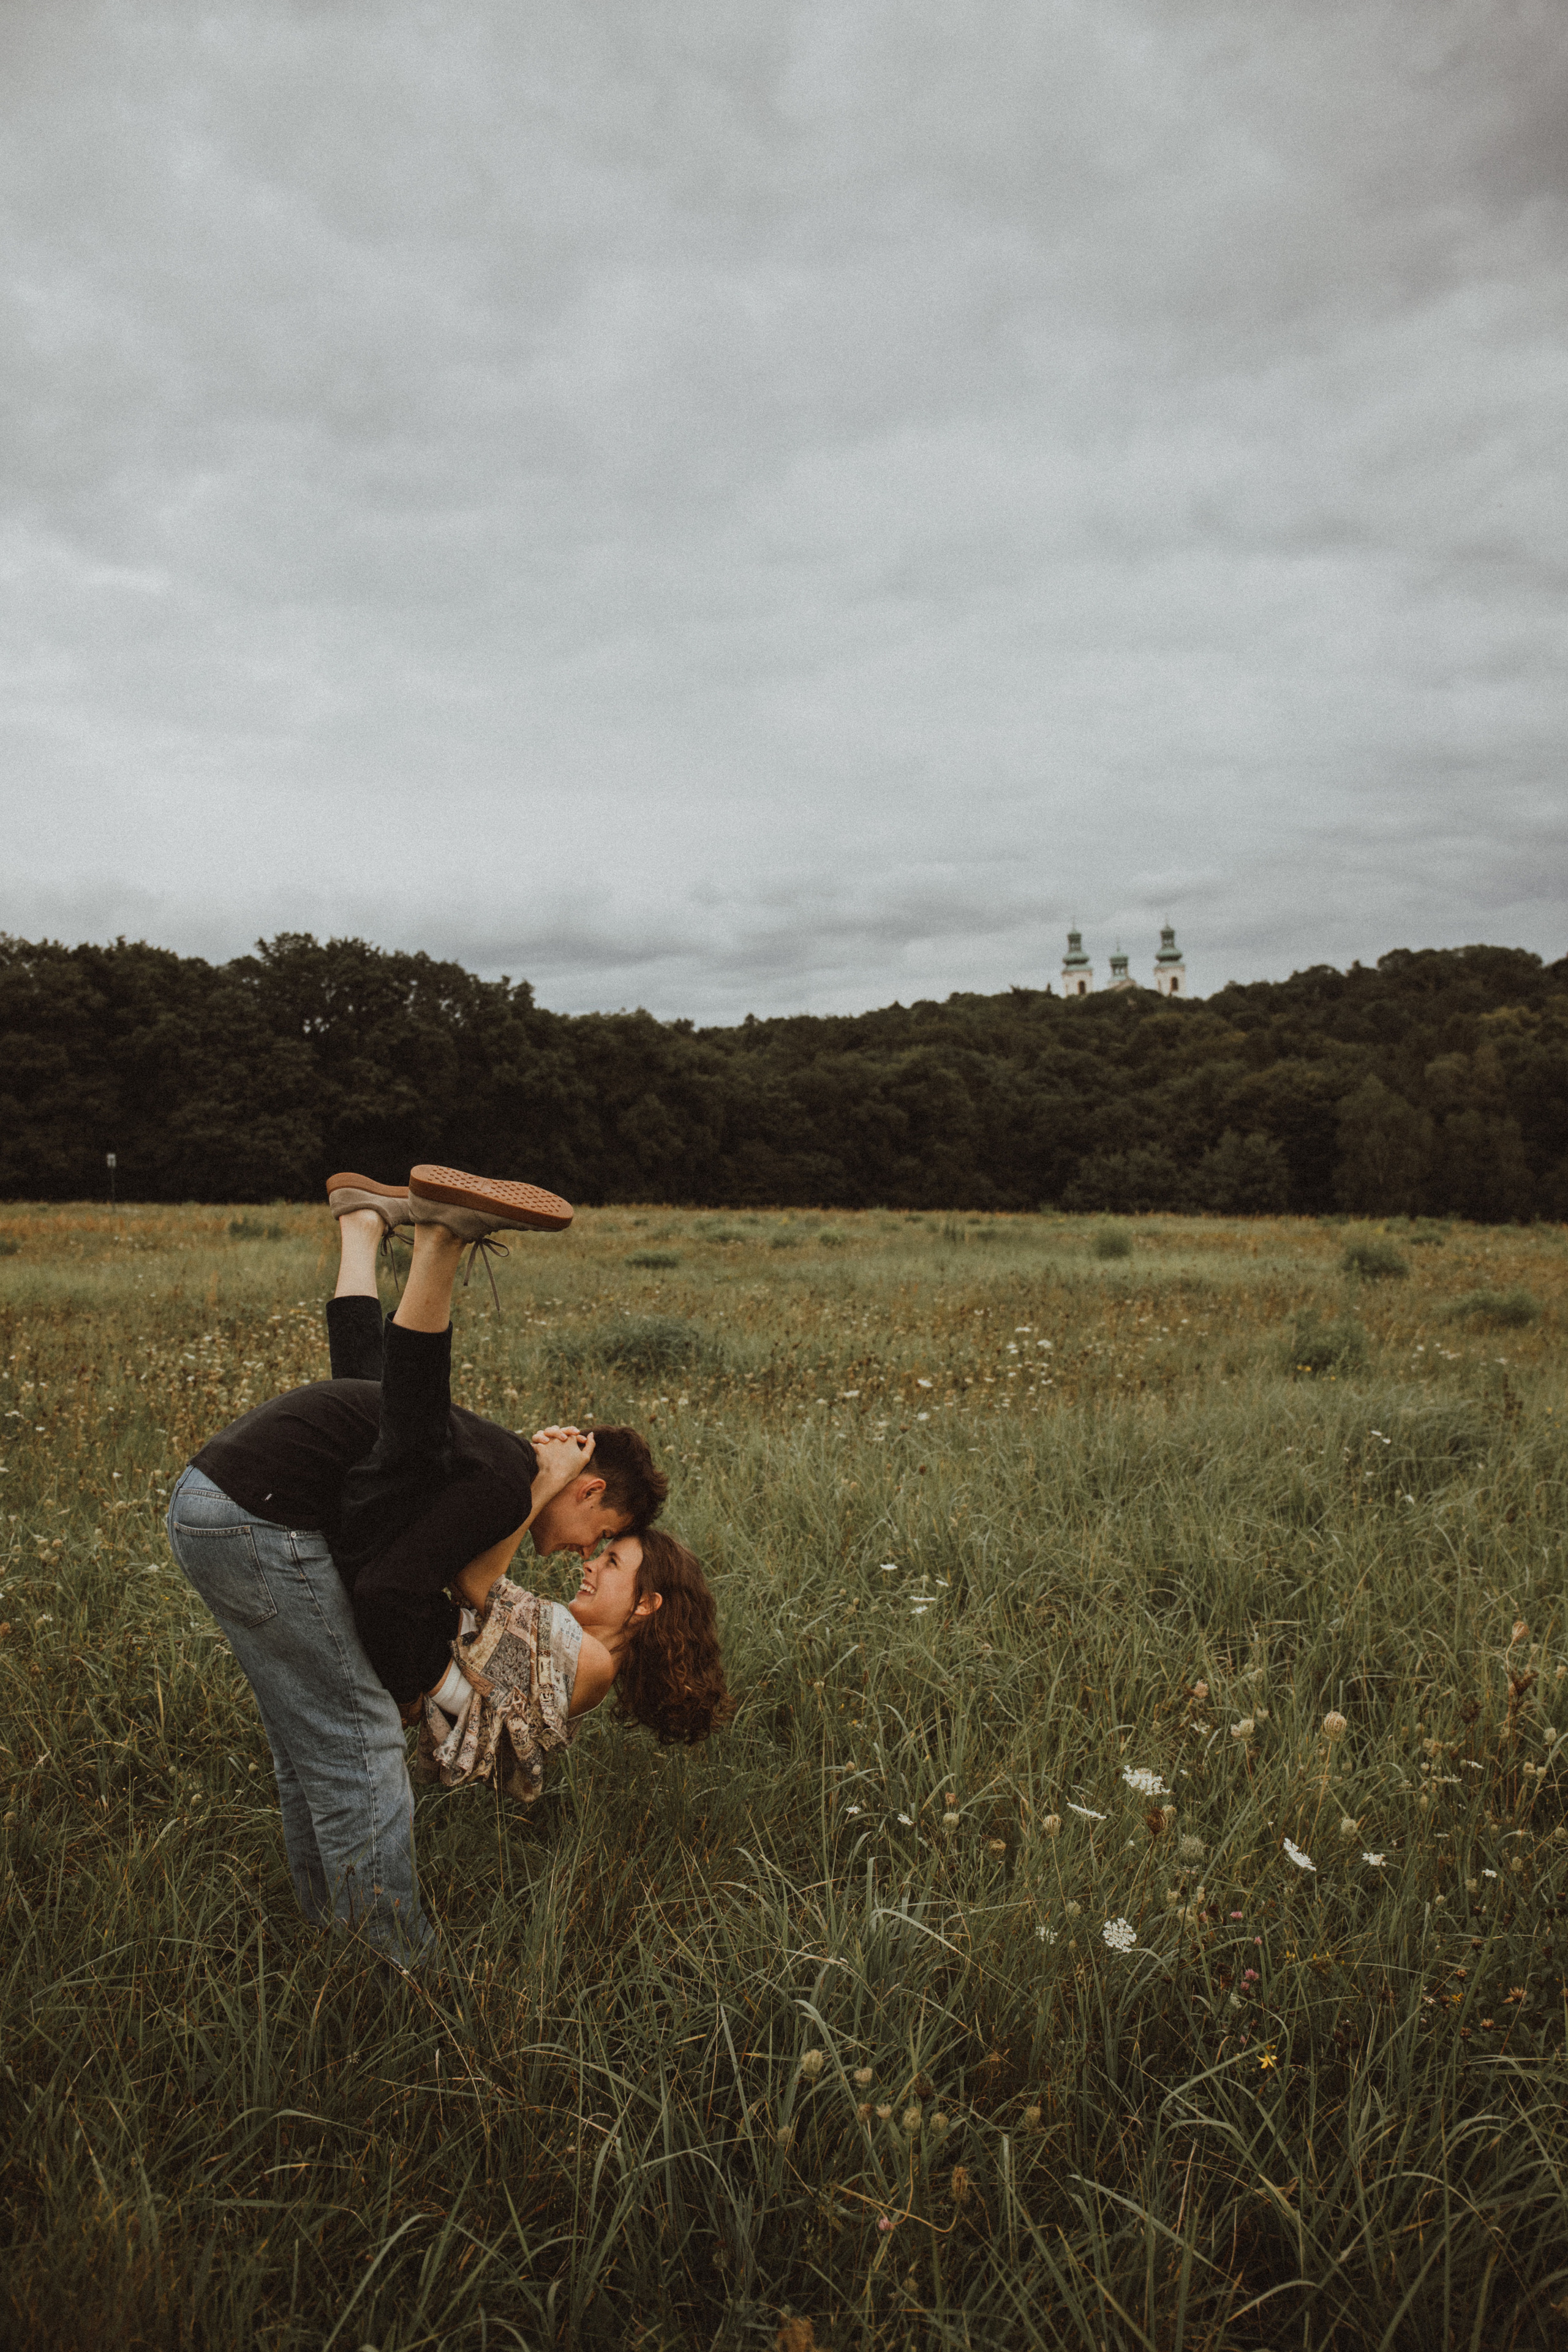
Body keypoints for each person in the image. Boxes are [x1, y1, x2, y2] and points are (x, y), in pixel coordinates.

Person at [164, 1164, 727, 1969]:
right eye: (600, 1537)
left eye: (607, 1555)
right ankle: (394, 1965)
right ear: (589, 1489)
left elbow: (398, 1437)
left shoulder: (488, 1474)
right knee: (359, 1747)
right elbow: (427, 1590)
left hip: (224, 1502)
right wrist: (415, 1685)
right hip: (256, 1519)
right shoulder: (499, 1485)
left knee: (313, 1745)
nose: (583, 1555)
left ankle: (331, 1934)